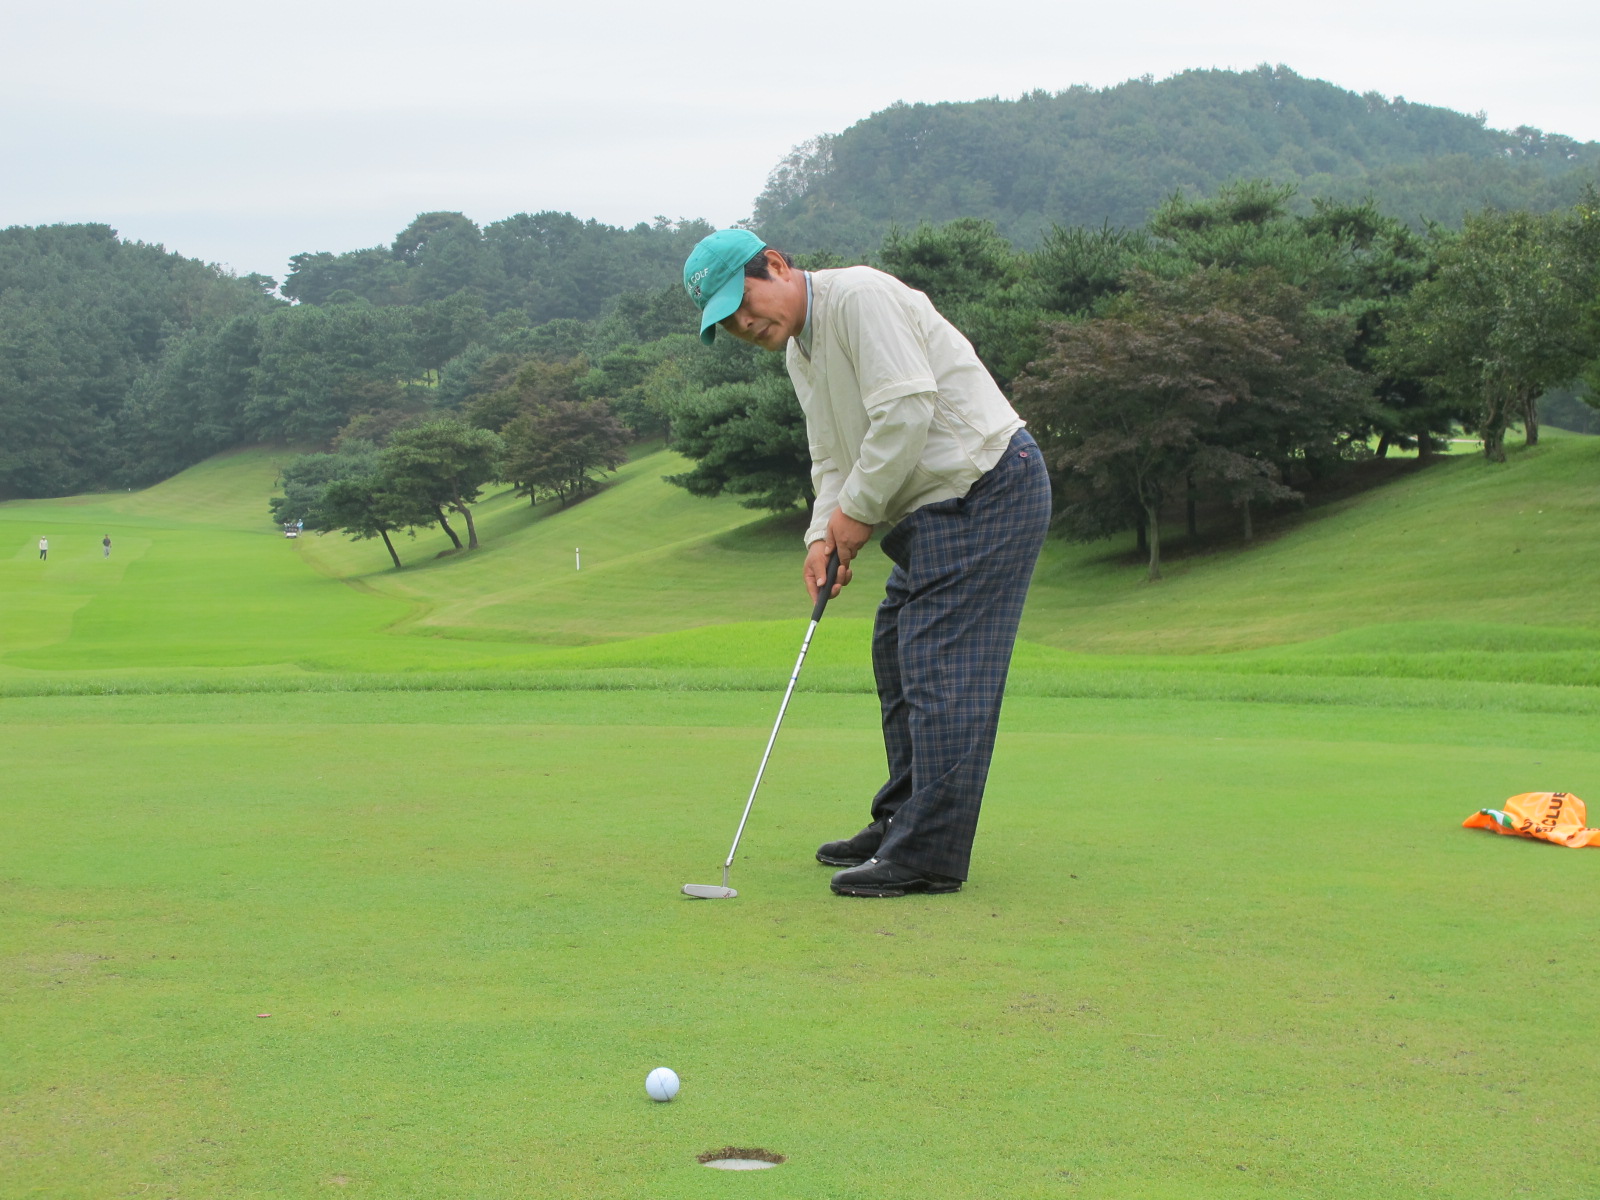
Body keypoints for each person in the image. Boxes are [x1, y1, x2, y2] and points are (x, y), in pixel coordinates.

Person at [682, 229, 1051, 898]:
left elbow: (907, 411)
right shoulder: (800, 352)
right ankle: (903, 823)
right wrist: (821, 538)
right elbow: (832, 457)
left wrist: (856, 513)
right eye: (726, 322)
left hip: (986, 487)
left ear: (776, 265)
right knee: (895, 649)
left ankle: (929, 855)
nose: (743, 325)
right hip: (932, 511)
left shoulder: (858, 297)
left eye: (744, 303)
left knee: (939, 667)